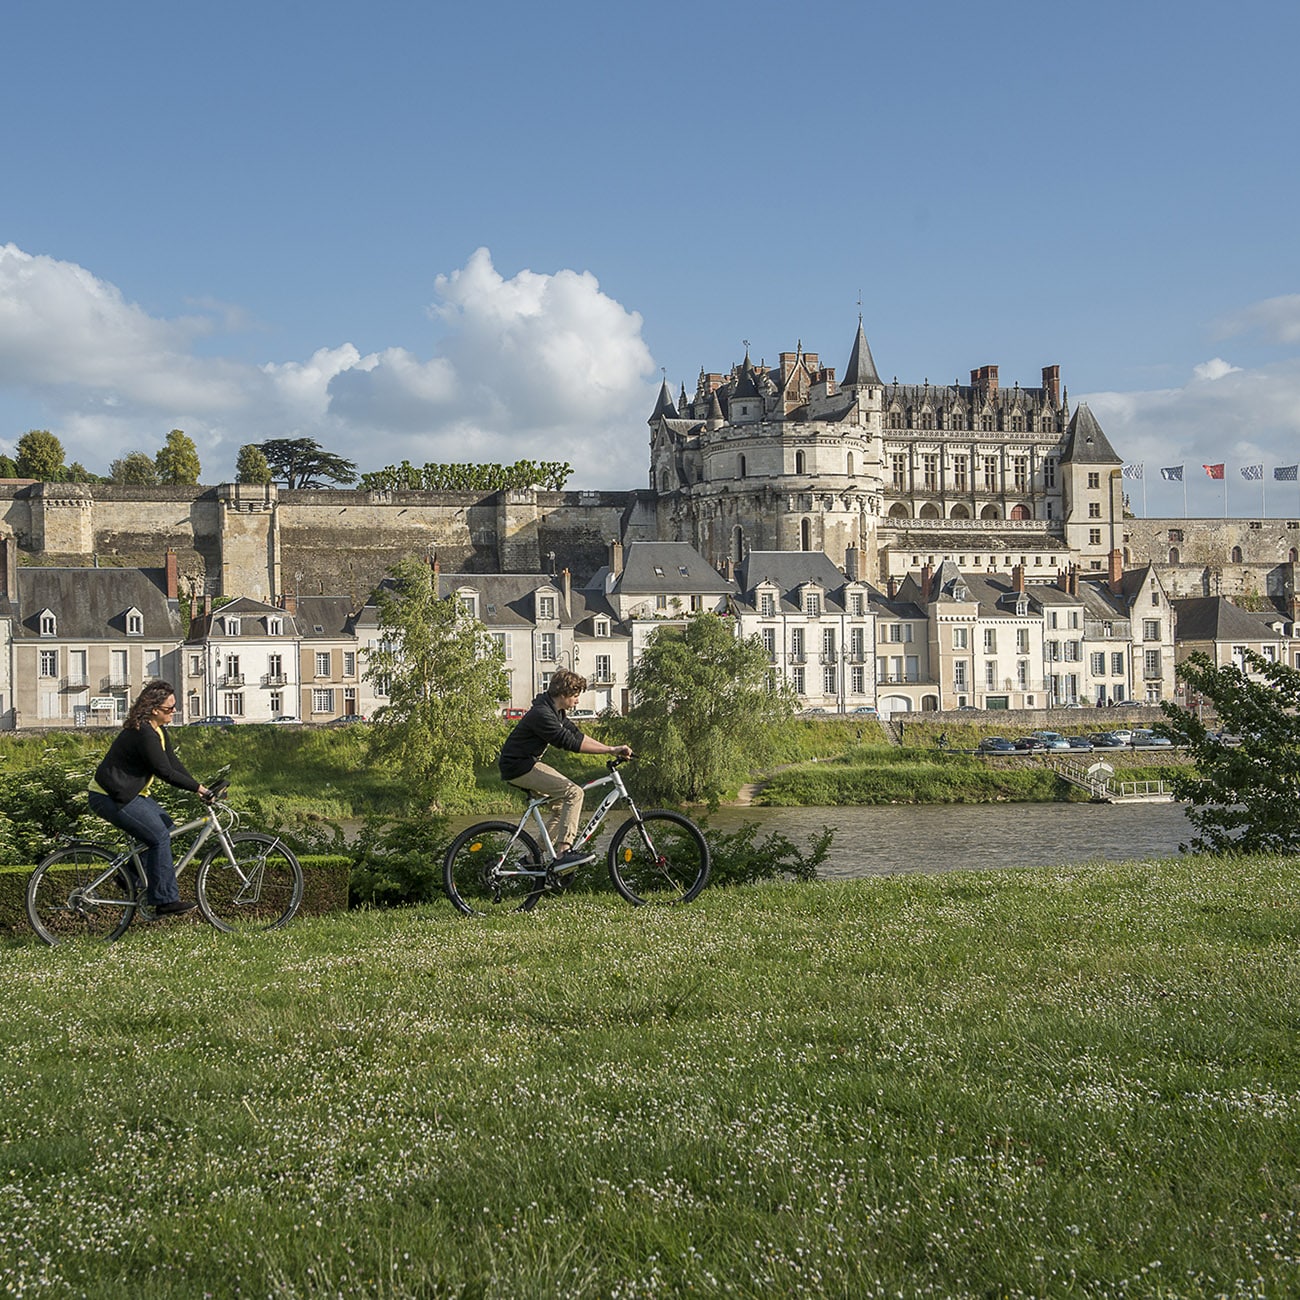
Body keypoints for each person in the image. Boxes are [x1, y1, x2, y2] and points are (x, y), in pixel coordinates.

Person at [86, 680, 211, 917]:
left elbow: (173, 763)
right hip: (110, 796)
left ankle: (129, 877)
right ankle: (164, 900)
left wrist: (199, 786)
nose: (174, 711)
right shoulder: (144, 733)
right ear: (154, 709)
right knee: (160, 837)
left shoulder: (158, 730)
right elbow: (164, 772)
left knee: (167, 827)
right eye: (169, 708)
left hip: (130, 794)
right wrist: (200, 790)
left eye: (174, 706)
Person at [498, 669, 632, 870]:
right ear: (563, 694)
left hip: (526, 763)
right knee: (574, 793)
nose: (578, 701)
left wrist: (611, 750)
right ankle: (564, 853)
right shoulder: (542, 714)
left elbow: (576, 735)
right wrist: (610, 750)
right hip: (519, 766)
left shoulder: (555, 711)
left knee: (562, 810)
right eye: (576, 696)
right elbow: (568, 742)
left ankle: (532, 858)